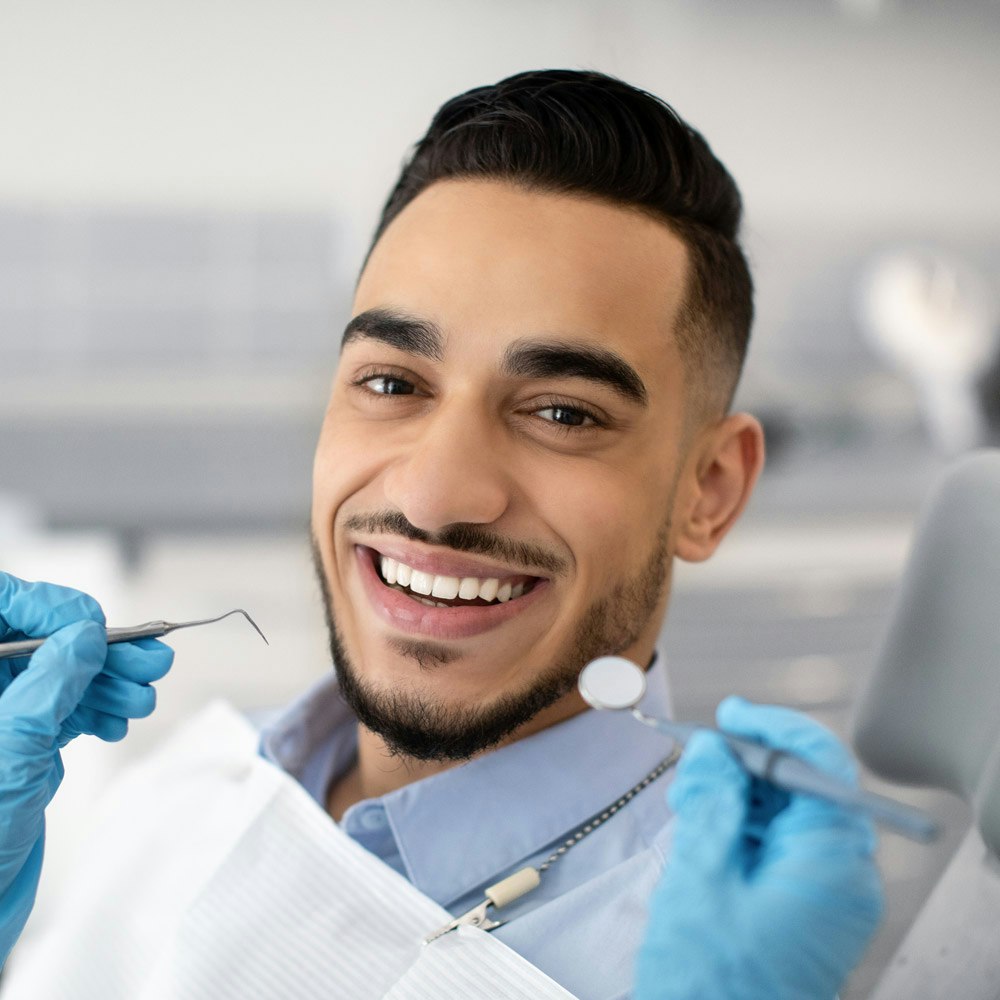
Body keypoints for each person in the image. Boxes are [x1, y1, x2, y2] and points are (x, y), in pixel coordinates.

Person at [0, 69, 883, 999]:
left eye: (563, 413)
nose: (433, 496)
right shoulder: (179, 783)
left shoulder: (710, 955)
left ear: (709, 489)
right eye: (391, 383)